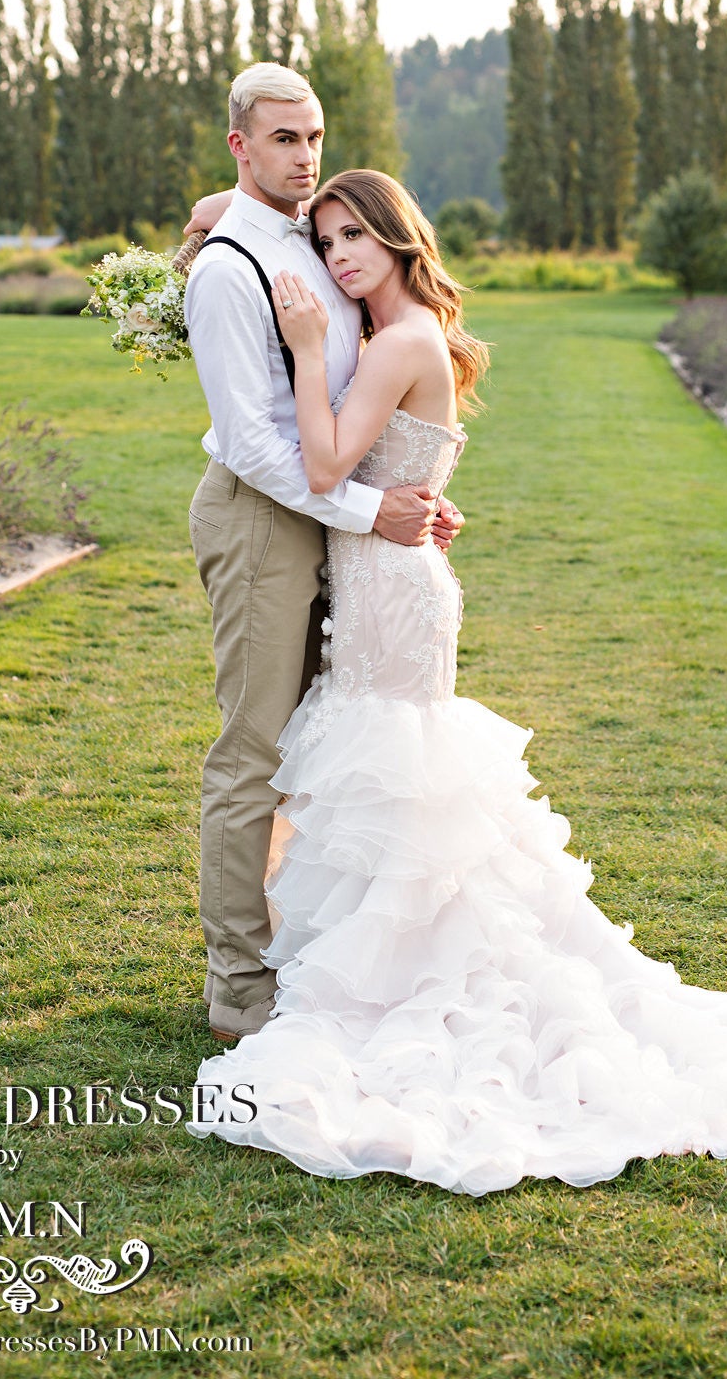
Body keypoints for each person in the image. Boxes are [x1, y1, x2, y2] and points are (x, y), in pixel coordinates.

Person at [188, 168, 727, 1195]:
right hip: (390, 573)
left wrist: (312, 346)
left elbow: (323, 468)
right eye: (325, 240)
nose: (339, 256)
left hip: (389, 589)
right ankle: (380, 959)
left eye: (356, 234)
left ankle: (409, 976)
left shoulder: (396, 340)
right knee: (384, 780)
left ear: (401, 239)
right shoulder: (406, 333)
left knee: (395, 774)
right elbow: (385, 470)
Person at [183, 65, 464, 1048]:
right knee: (255, 751)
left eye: (312, 136)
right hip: (266, 515)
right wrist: (367, 508)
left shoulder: (303, 234)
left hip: (336, 521)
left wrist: (405, 491)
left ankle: (304, 945)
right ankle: (237, 984)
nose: (304, 156)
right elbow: (258, 446)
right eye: (283, 139)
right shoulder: (229, 271)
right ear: (241, 143)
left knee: (317, 746)